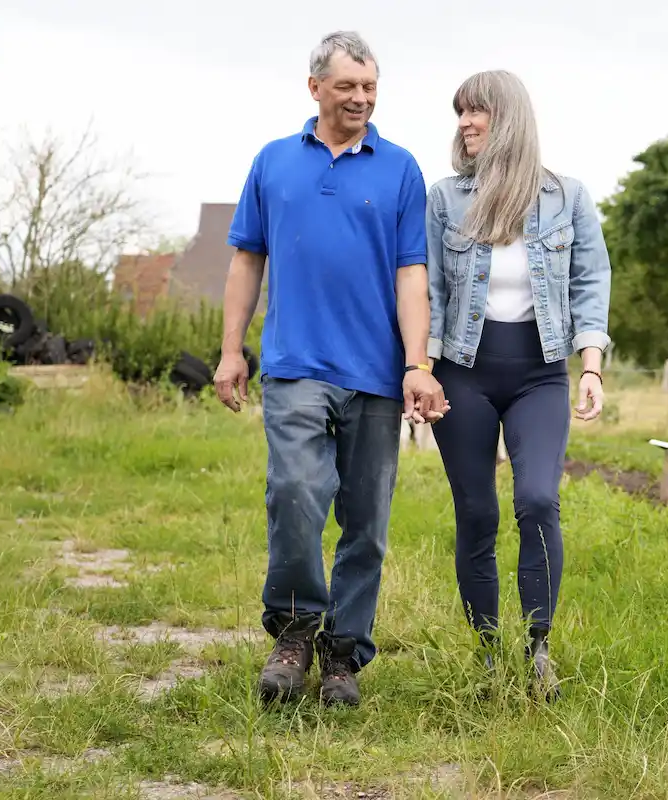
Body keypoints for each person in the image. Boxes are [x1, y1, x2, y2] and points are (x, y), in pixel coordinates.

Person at [212, 30, 447, 707]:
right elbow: (245, 259)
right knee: (294, 494)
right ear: (315, 87)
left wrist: (416, 364)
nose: (360, 99)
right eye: (347, 87)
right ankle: (294, 630)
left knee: (366, 521)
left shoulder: (400, 168)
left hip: (376, 374)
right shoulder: (274, 162)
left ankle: (343, 654)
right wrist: (232, 350)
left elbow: (412, 272)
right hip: (295, 364)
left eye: (370, 88)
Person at [424, 70, 612, 700]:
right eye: (460, 114)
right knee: (476, 513)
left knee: (537, 500)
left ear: (509, 118)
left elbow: (590, 283)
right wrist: (420, 370)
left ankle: (538, 651)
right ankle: (486, 656)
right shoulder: (446, 199)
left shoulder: (569, 198)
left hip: (539, 375)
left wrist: (590, 367)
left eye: (476, 112)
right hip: (462, 375)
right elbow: (431, 291)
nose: (464, 124)